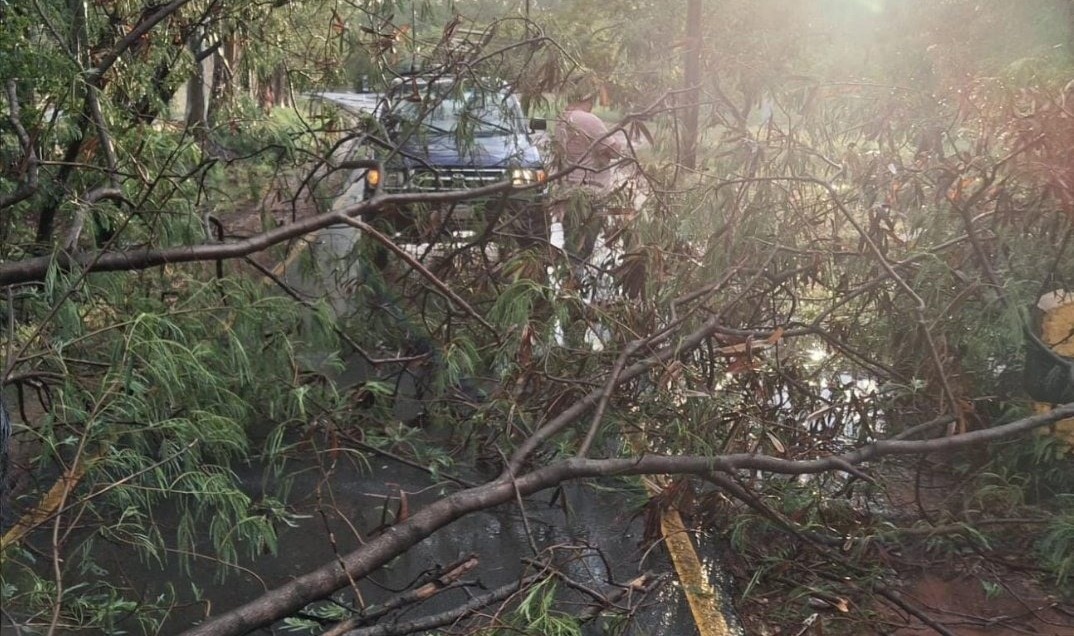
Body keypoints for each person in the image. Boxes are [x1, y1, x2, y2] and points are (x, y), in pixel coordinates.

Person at [550, 90, 627, 266]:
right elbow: (614, 151)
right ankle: (575, 280)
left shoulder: (563, 118)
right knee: (584, 243)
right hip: (590, 190)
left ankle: (568, 277)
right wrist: (618, 141)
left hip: (568, 189)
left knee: (570, 237)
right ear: (588, 98)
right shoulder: (589, 120)